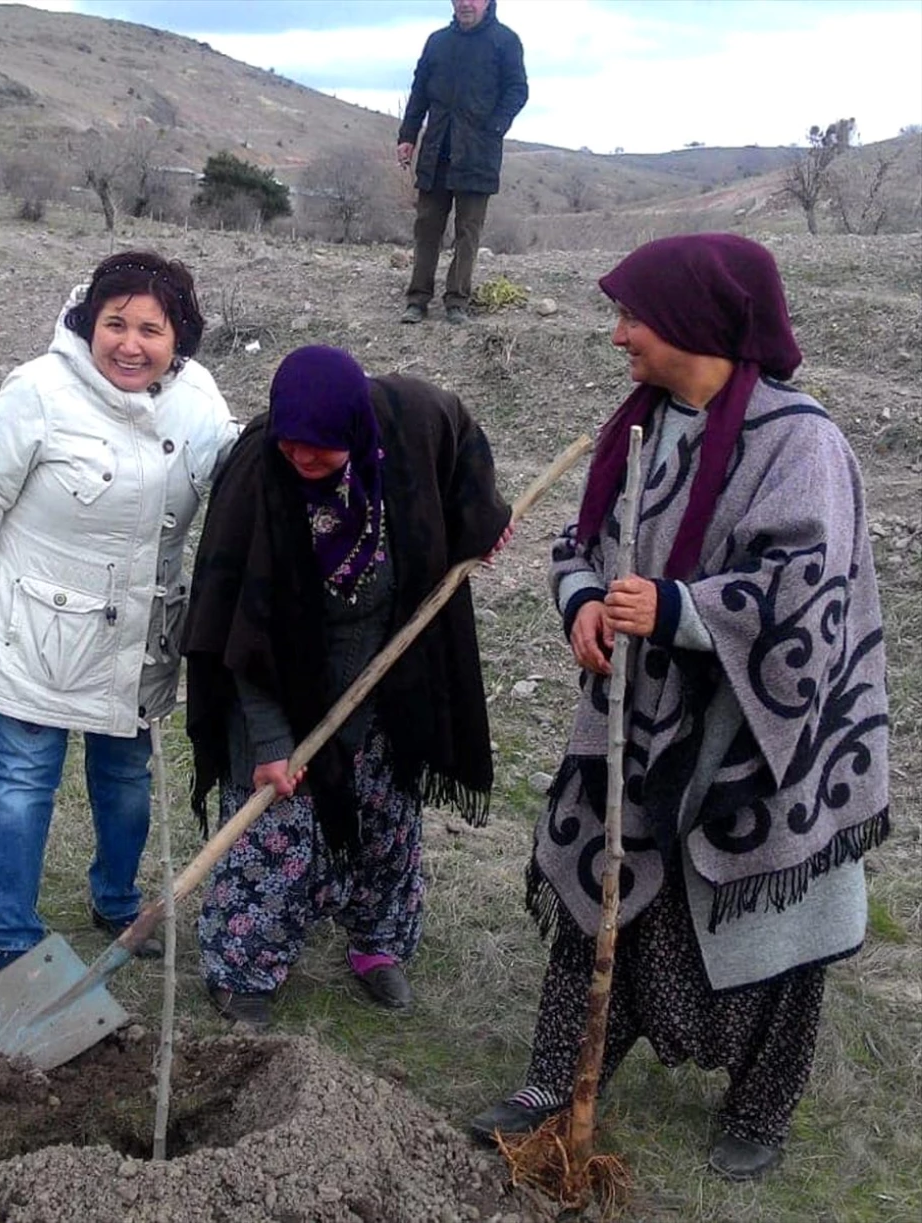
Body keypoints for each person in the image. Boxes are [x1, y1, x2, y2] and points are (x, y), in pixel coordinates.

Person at [469, 234, 890, 1180]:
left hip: (761, 733)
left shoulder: (800, 442)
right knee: (604, 891)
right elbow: (584, 544)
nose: (618, 336)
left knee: (765, 922)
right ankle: (557, 1077)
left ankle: (759, 1104)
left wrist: (683, 609)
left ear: (697, 323)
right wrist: (583, 601)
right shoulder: (643, 428)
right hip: (638, 719)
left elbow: (808, 589)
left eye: (632, 317)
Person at [183, 345, 512, 1029]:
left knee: (385, 826)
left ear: (356, 432)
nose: (302, 460)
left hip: (384, 687)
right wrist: (272, 741)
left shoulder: (403, 423)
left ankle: (377, 943)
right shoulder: (257, 479)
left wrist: (482, 518)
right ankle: (244, 968)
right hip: (278, 689)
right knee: (274, 836)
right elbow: (240, 633)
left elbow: (459, 432)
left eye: (320, 451)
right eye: (292, 446)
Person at [0, 251, 238, 971]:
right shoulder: (37, 390)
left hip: (138, 638)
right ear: (88, 322)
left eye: (151, 329)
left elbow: (237, 480)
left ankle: (117, 897)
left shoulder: (196, 400)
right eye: (115, 323)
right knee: (22, 781)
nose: (130, 344)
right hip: (34, 626)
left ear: (179, 336)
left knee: (127, 779)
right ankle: (14, 934)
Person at [396, 0, 527, 326]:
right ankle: (417, 299)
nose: (466, 3)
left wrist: (495, 127)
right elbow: (418, 93)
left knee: (467, 230)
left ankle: (457, 302)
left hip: (477, 153)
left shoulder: (506, 41)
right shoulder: (437, 41)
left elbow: (518, 90)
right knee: (427, 226)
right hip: (437, 148)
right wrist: (407, 135)